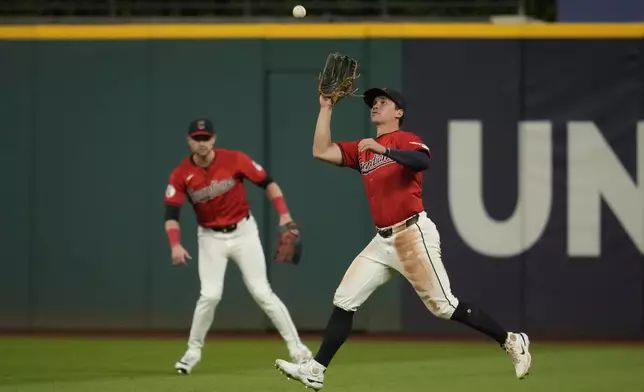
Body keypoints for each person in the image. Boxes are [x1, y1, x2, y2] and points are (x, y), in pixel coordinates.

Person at [274, 89, 532, 390]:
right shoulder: (362, 148)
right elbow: (321, 150)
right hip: (381, 241)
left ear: (398, 113)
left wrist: (382, 150)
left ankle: (511, 340)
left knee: (445, 306)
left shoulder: (405, 138)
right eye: (373, 103)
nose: (376, 106)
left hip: (412, 234)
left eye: (383, 102)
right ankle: (317, 369)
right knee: (344, 299)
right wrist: (326, 108)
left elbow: (421, 161)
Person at [164, 118, 312, 374]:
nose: (202, 143)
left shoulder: (234, 159)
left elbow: (268, 183)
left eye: (206, 138)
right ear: (189, 141)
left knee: (262, 293)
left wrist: (284, 214)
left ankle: (299, 350)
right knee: (210, 295)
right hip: (210, 237)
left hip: (244, 232)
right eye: (197, 138)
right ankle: (192, 351)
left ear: (214, 139)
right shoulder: (180, 174)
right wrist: (175, 245)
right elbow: (171, 215)